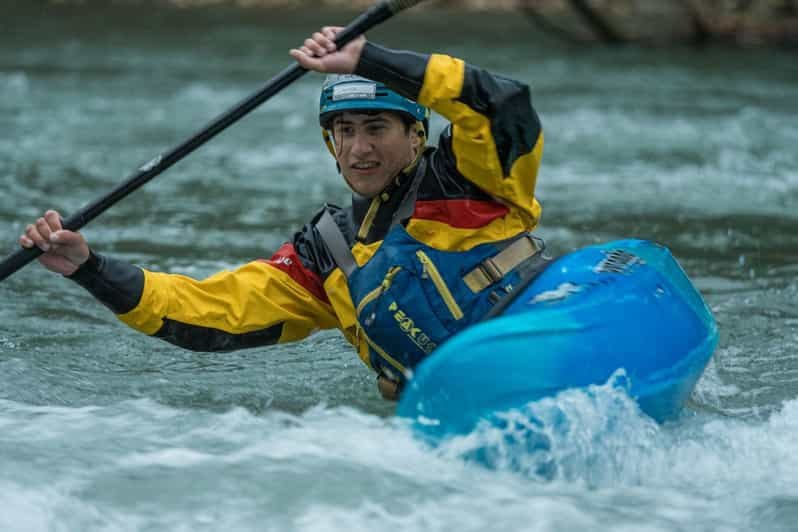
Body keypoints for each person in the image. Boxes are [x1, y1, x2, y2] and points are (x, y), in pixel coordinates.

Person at [19, 27, 545, 400]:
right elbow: (209, 315)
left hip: (543, 341)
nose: (359, 148)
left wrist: (371, 59)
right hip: (468, 395)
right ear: (330, 141)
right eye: (345, 131)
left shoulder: (472, 179)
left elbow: (504, 104)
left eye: (376, 127)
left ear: (415, 136)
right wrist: (89, 268)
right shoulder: (328, 255)